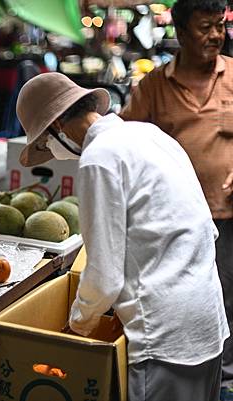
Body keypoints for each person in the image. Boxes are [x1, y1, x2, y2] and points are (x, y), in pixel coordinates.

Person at [16, 72, 229, 401]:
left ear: (56, 126)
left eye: (44, 143)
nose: (50, 151)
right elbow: (204, 227)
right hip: (206, 320)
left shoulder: (99, 159)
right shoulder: (148, 134)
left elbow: (105, 277)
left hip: (163, 337)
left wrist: (77, 328)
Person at [119, 1, 233, 397]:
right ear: (181, 33)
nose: (216, 35)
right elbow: (124, 145)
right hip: (171, 225)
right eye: (205, 27)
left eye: (219, 26)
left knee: (226, 300)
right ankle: (184, 376)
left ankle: (224, 378)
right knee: (184, 307)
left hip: (227, 215)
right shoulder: (152, 87)